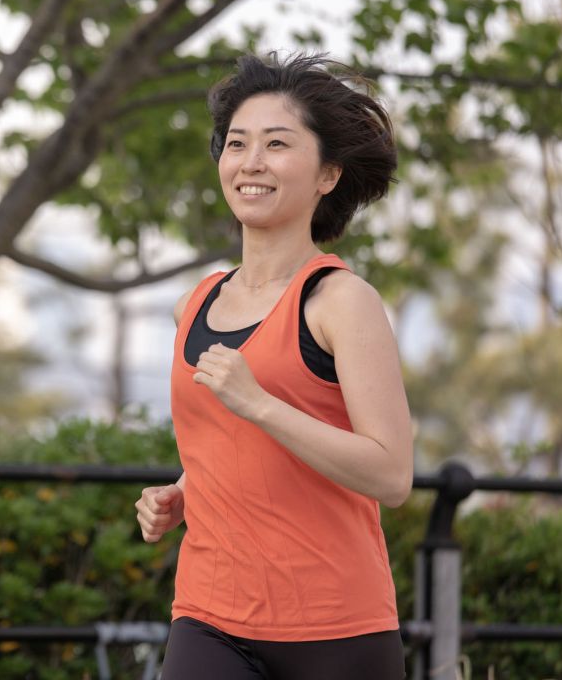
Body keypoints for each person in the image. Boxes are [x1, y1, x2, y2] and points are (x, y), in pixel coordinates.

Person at [134, 52, 413, 679]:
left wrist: (260, 404)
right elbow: (226, 436)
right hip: (210, 614)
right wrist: (183, 489)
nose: (250, 162)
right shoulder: (195, 302)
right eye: (237, 144)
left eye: (277, 144)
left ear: (327, 175)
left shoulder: (341, 301)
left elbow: (392, 474)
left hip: (335, 625)